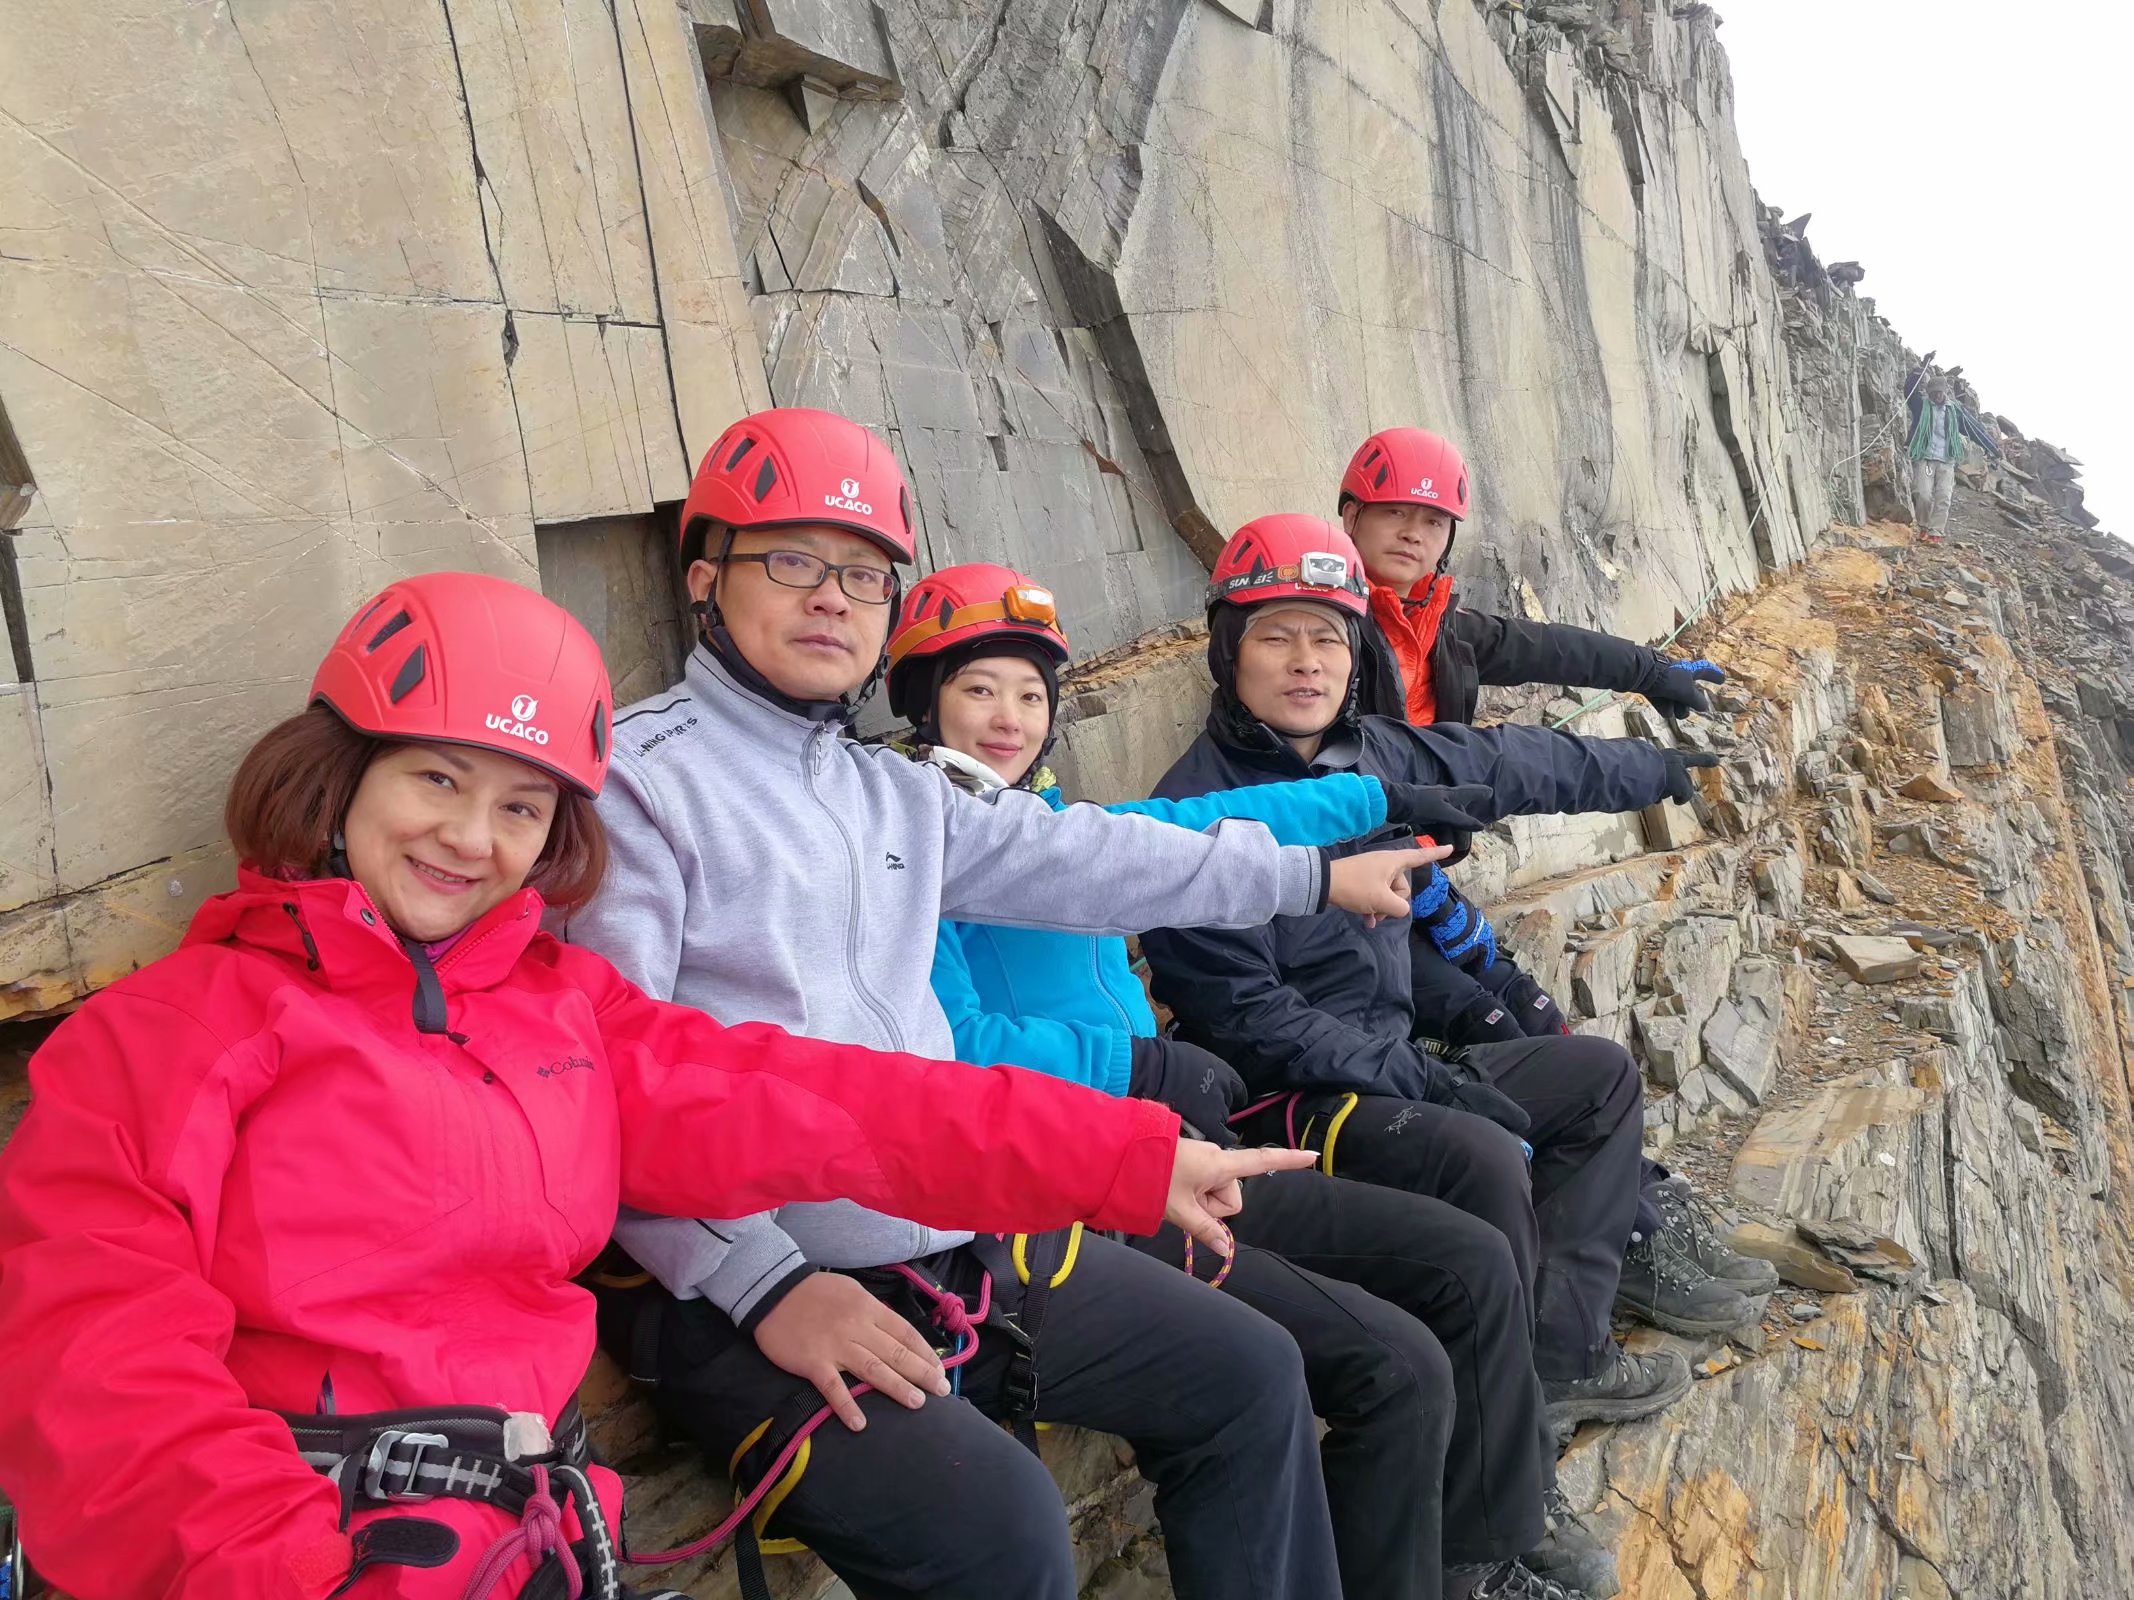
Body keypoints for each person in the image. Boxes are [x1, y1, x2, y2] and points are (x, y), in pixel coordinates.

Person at [0, 572, 1291, 1600]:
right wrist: (302, 1575)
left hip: (526, 1534)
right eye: (435, 779)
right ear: (339, 780)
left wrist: (1119, 1158)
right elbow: (101, 1369)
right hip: (322, 1552)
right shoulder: (169, 1035)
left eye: (519, 807)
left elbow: (820, 1102)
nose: (470, 839)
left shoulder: (559, 1012)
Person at [565, 408, 1439, 1600]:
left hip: (945, 1225)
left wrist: (1307, 876)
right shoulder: (640, 789)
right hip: (746, 1272)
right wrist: (762, 1282)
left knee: (1247, 1371)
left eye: (864, 573)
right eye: (792, 560)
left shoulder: (889, 791)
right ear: (706, 578)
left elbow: (1098, 857)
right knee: (1003, 1530)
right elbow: (606, 1097)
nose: (832, 596)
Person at [890, 561, 1616, 1600]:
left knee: (1454, 1272)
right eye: (977, 689)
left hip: (1167, 1146)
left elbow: (1219, 858)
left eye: (1030, 692)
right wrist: (1133, 1059)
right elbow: (949, 1037)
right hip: (1073, 1180)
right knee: (1383, 1360)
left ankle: (1472, 1556)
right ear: (923, 702)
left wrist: (1375, 817)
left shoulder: (1059, 826)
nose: (1009, 717)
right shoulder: (917, 842)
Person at [1142, 514, 1718, 1440]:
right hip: (1287, 1098)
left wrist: (1647, 768)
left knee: (1597, 1078)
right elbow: (1246, 1016)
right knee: (1479, 1153)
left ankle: (1561, 1360)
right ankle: (1510, 1428)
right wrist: (1424, 1077)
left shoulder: (1373, 754)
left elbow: (1506, 761)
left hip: (1389, 1059)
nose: (1306, 662)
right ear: (1228, 653)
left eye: (1327, 636)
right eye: (1275, 636)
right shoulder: (1193, 811)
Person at [1336, 426, 1777, 1326]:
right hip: (1351, 912)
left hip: (1419, 892)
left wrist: (1654, 671)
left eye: (1433, 519)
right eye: (1393, 512)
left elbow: (1558, 650)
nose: (1414, 534)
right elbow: (1356, 781)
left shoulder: (1442, 630)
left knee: (1538, 1015)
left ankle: (1632, 1216)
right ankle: (1615, 1256)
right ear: (1349, 514)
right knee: (1497, 1029)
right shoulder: (1324, 633)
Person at [1905, 373, 2000, 543]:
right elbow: (1909, 392)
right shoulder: (1922, 406)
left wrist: (1993, 449)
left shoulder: (1955, 411)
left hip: (1947, 461)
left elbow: (1975, 430)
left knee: (1943, 496)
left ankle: (1936, 532)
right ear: (1929, 393)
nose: (1936, 396)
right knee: (1923, 494)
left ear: (1945, 392)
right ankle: (1924, 526)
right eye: (1933, 393)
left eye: (1939, 393)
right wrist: (1917, 373)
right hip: (1926, 458)